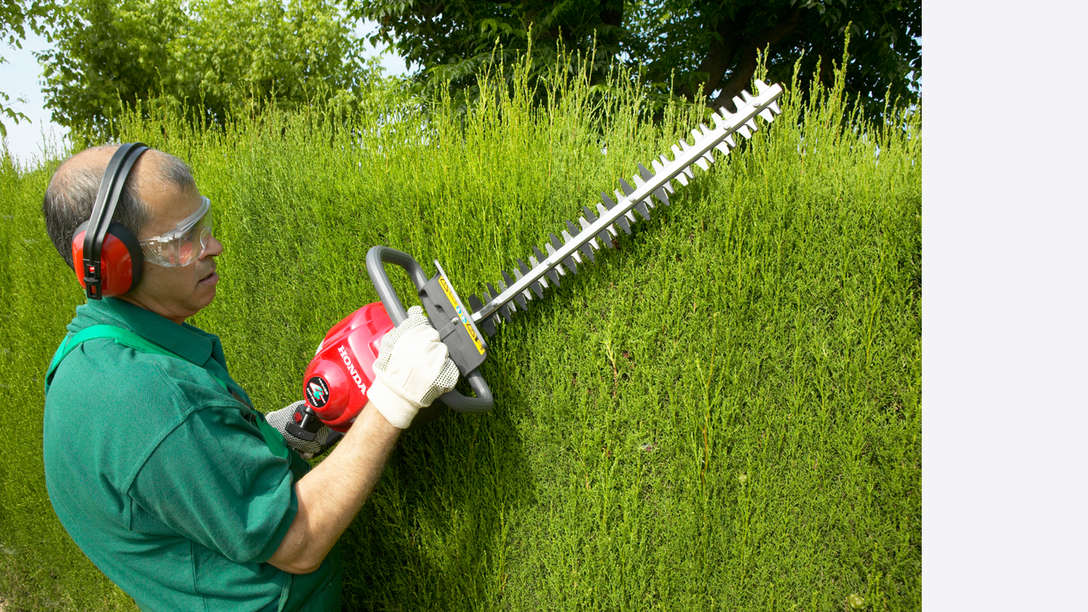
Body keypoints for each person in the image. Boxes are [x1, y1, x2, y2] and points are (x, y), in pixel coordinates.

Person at [41, 144, 457, 609]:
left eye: (204, 224)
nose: (213, 246)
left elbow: (186, 474)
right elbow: (299, 542)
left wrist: (288, 432)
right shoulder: (150, 399)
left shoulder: (90, 354)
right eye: (184, 238)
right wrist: (394, 397)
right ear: (114, 264)